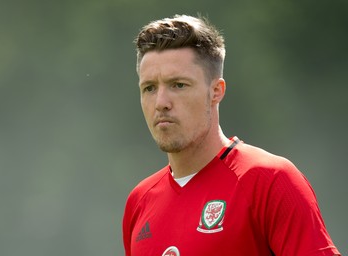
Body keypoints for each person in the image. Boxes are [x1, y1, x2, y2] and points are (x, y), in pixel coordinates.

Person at [122, 14, 340, 256]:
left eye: (178, 85)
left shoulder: (271, 181)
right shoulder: (139, 202)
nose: (161, 102)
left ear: (216, 91)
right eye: (149, 88)